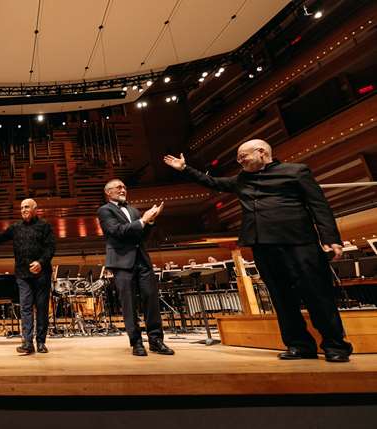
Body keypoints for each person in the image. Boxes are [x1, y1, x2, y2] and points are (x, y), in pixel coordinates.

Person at [164, 139, 352, 362]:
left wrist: (330, 238)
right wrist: (185, 169)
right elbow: (212, 182)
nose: (240, 160)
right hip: (263, 246)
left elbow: (319, 205)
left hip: (299, 244)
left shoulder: (295, 172)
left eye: (243, 156)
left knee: (317, 295)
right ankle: (299, 345)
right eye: (238, 158)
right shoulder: (242, 179)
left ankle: (335, 346)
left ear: (262, 152)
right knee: (281, 299)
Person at [97, 180, 175, 357]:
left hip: (142, 260)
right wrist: (143, 220)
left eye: (125, 186)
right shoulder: (104, 210)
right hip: (122, 262)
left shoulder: (133, 210)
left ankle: (156, 340)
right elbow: (117, 231)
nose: (123, 189)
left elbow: (142, 235)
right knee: (129, 303)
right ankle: (136, 342)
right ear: (108, 193)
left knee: (151, 299)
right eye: (119, 187)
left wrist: (151, 221)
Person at [0, 199, 55, 354]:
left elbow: (50, 248)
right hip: (22, 275)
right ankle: (27, 342)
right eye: (21, 208)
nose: (23, 210)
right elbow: (0, 239)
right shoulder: (16, 227)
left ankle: (40, 342)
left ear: (35, 209)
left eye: (27, 207)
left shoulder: (44, 226)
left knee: (41, 309)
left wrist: (40, 262)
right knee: (25, 308)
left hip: (42, 274)